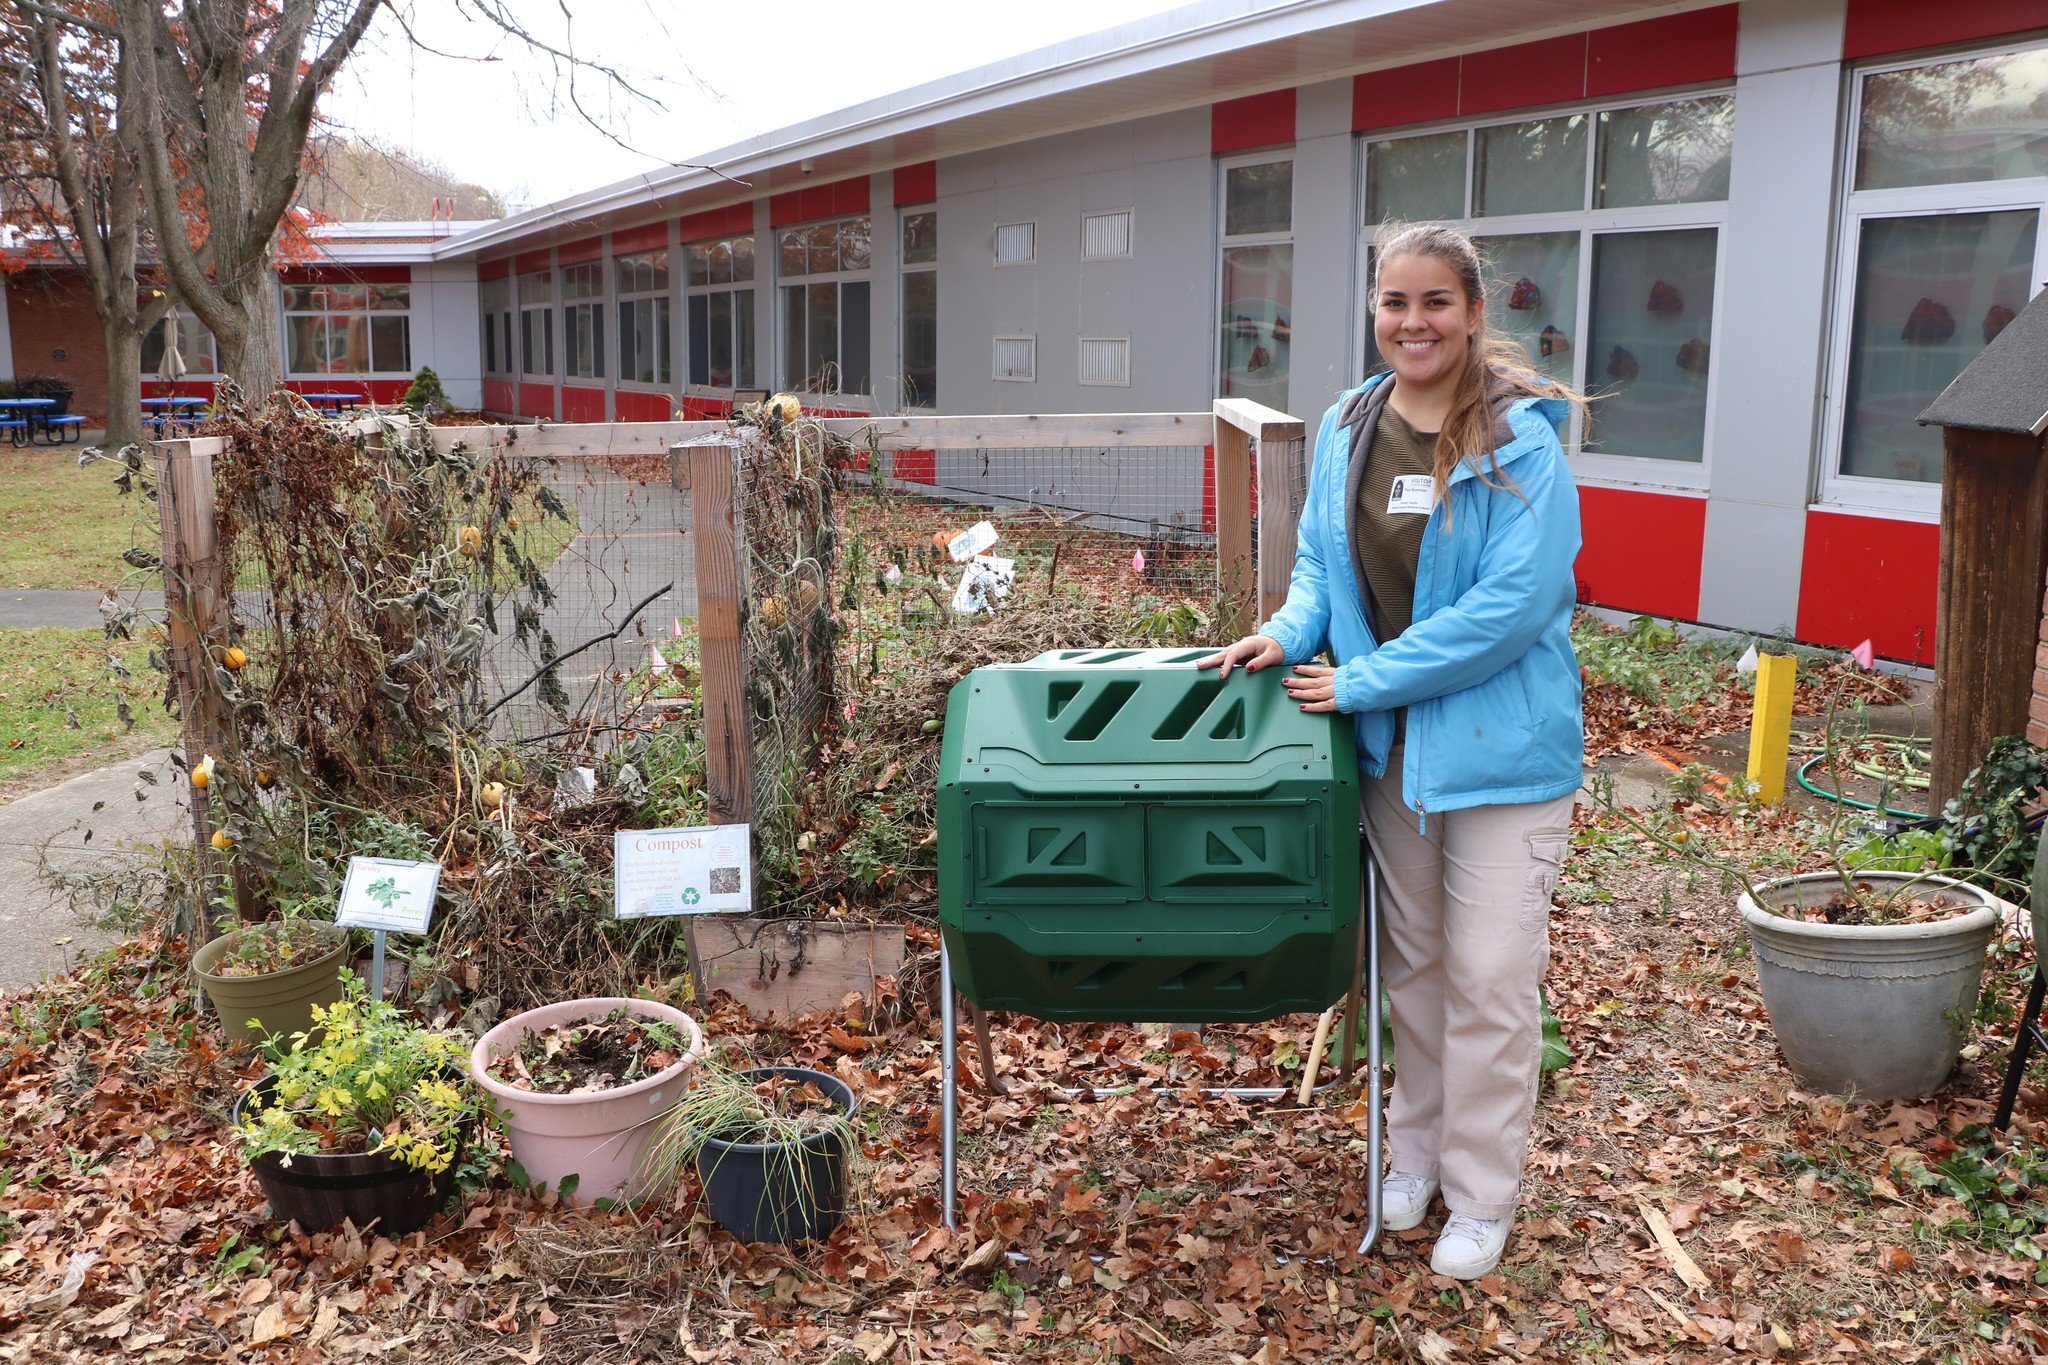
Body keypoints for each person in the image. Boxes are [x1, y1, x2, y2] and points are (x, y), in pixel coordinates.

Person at [1198, 222, 1586, 1280]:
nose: (1411, 323)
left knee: (1490, 977)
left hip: (1500, 757)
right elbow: (1323, 560)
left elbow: (1514, 608)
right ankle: (1410, 1155)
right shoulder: (1350, 422)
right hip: (1392, 759)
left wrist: (1362, 681)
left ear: (1470, 313)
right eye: (1393, 304)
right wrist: (1289, 628)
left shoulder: (1518, 441)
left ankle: (1481, 1192)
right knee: (1411, 973)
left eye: (1434, 304)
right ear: (1373, 311)